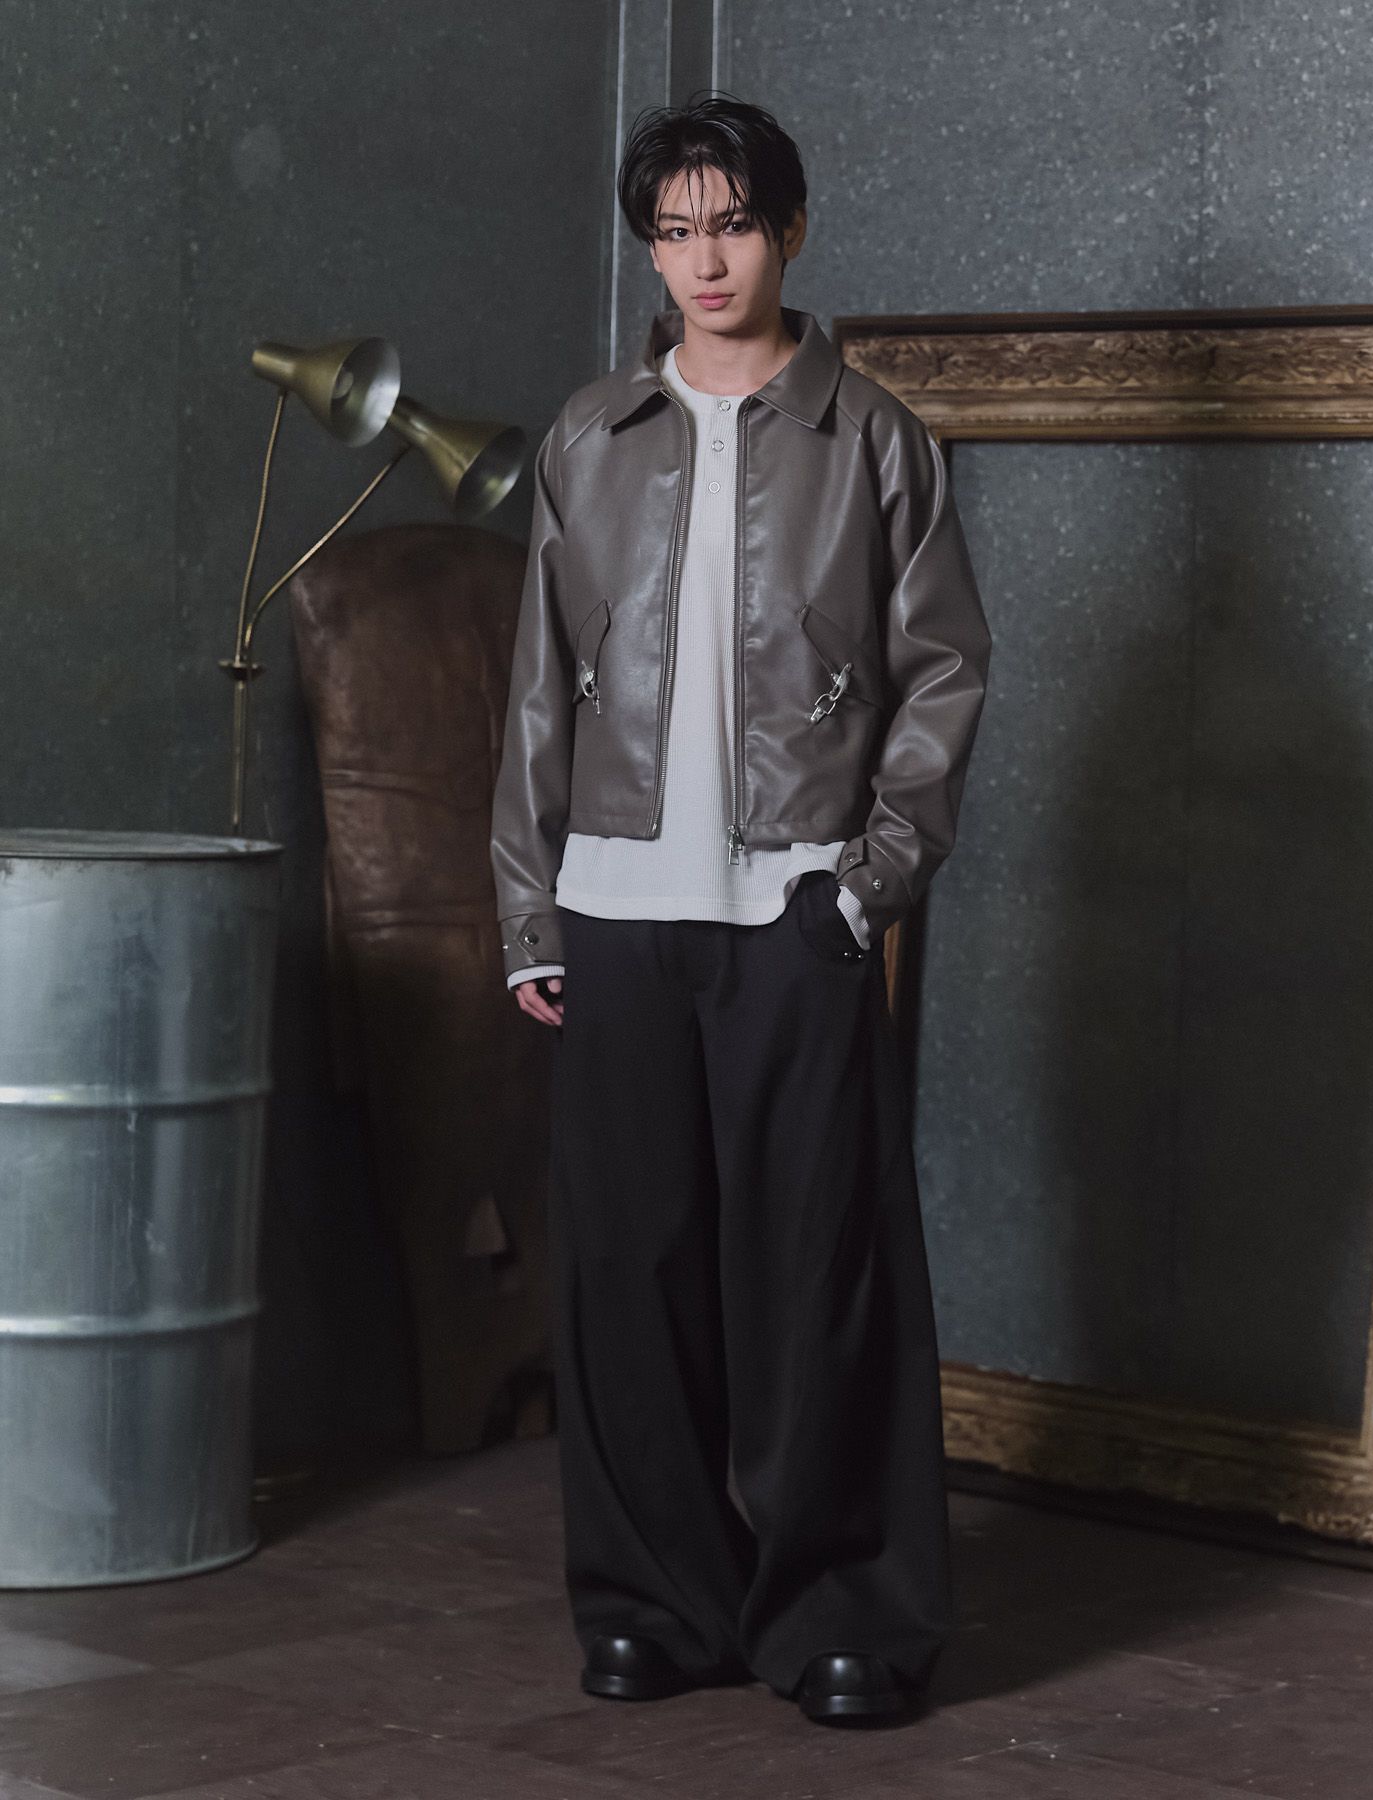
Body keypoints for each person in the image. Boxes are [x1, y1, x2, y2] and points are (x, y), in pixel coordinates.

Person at [489, 91, 992, 1725]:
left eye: (734, 225)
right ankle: (655, 1602)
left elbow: (942, 676)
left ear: (790, 233)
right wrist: (532, 911)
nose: (706, 261)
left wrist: (868, 884)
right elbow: (539, 695)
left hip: (797, 908)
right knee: (629, 1278)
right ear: (652, 250)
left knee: (818, 1274)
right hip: (616, 909)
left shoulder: (876, 441)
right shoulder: (588, 438)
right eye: (676, 232)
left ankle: (845, 1613)